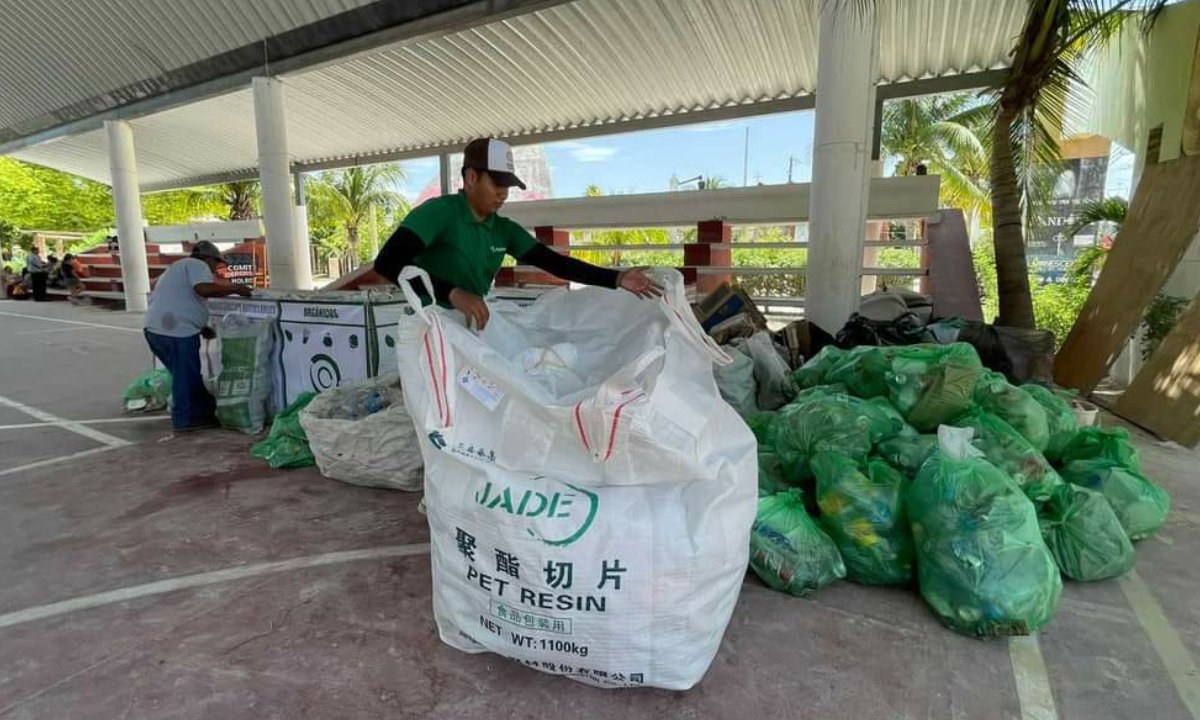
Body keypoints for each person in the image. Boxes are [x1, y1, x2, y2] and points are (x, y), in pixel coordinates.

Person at [373, 137, 662, 329]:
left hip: (471, 324)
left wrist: (617, 278)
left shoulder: (503, 230)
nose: (503, 194)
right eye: (497, 184)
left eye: (507, 186)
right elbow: (388, 262)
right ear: (471, 178)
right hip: (429, 324)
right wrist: (453, 293)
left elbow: (556, 263)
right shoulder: (439, 213)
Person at [143, 241, 252, 432]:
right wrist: (235, 288)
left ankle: (203, 413)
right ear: (208, 258)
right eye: (215, 264)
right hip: (176, 332)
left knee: (187, 375)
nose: (213, 269)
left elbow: (179, 301)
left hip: (156, 329)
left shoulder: (176, 268)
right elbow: (203, 289)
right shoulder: (197, 265)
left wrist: (202, 327)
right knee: (185, 377)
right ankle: (184, 420)